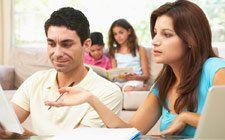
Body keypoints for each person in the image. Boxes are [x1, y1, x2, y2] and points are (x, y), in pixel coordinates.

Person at [45, 0, 225, 137]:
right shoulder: (162, 86)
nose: (155, 41)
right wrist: (91, 99)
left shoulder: (214, 69)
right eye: (155, 33)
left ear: (190, 40)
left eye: (166, 34)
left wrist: (186, 117)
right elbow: (129, 131)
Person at [0, 7, 122, 138]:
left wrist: (22, 135)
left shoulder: (108, 92)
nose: (57, 53)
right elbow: (7, 122)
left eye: (66, 44)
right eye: (51, 44)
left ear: (86, 45)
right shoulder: (35, 81)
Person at [108, 19, 150, 92]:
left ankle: (144, 88)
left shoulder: (140, 49)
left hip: (135, 80)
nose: (118, 36)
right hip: (120, 81)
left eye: (121, 32)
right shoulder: (113, 51)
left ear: (129, 31)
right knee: (111, 90)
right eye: (115, 34)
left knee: (127, 89)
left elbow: (146, 75)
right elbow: (114, 73)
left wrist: (135, 77)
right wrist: (119, 76)